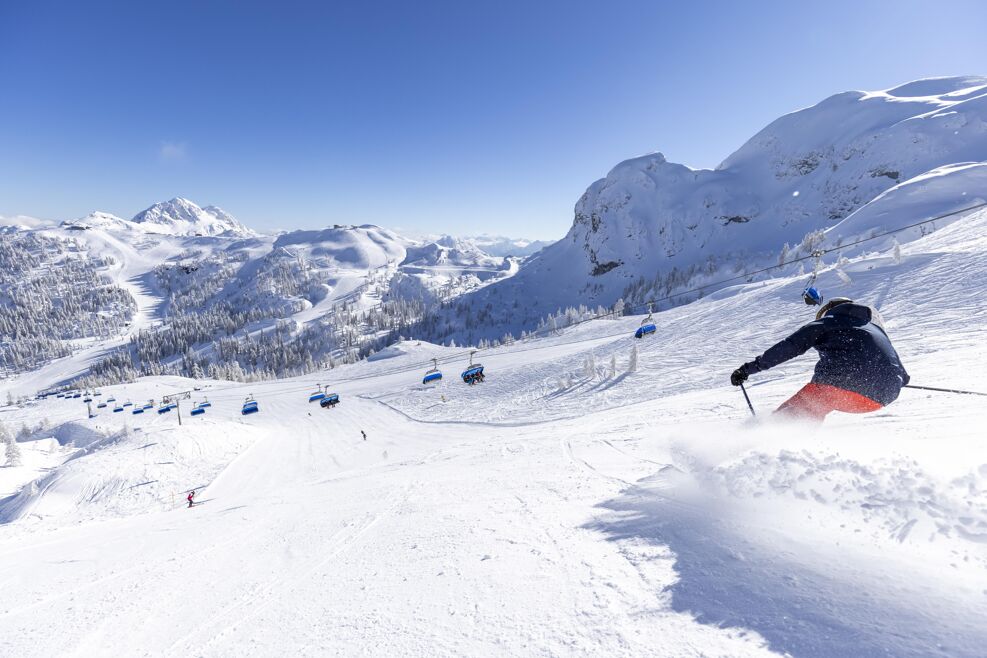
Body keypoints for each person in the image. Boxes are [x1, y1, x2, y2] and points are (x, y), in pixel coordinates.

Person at [731, 297, 909, 423]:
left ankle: (764, 446)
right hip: (882, 397)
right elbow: (905, 377)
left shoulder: (827, 322)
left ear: (828, 311)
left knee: (794, 413)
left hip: (841, 386)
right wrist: (879, 380)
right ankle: (796, 449)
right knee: (816, 406)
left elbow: (789, 347)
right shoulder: (875, 330)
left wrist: (747, 370)